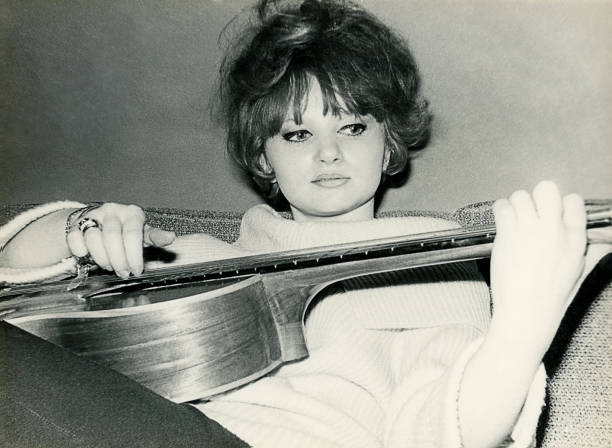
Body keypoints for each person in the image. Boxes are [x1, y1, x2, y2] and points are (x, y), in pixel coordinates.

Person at [0, 0, 609, 446]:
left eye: (351, 126)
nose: (328, 154)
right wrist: (79, 227)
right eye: (297, 133)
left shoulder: (432, 267)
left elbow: (447, 430)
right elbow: (17, 288)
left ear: (389, 142)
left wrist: (524, 326)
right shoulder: (199, 256)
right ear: (264, 156)